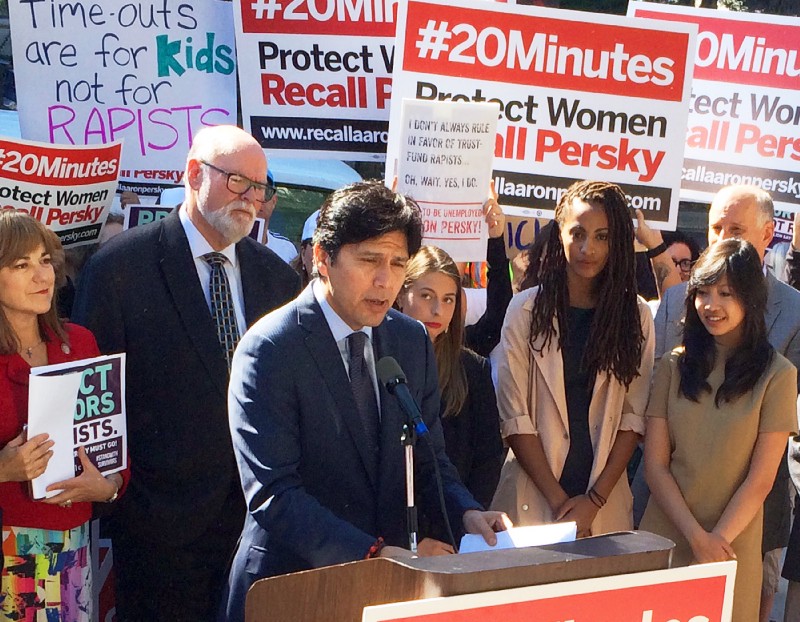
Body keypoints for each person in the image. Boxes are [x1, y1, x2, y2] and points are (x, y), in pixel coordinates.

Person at [221, 180, 511, 622]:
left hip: (385, 590)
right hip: (292, 587)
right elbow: (274, 495)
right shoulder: (270, 348)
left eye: (398, 263)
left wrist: (468, 512)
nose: (385, 280)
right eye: (369, 260)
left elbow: (430, 454)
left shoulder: (409, 340)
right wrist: (372, 553)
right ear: (322, 257)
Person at [72, 125, 300, 621]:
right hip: (158, 529)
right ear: (194, 174)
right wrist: (121, 492)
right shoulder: (119, 267)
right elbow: (93, 393)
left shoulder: (277, 277)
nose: (251, 198)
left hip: (255, 525)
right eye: (238, 181)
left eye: (259, 187)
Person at [650, 185, 800, 622]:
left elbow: (761, 478)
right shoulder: (672, 367)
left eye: (727, 294)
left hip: (733, 541)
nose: (711, 305)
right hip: (666, 532)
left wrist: (714, 541)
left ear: (751, 300)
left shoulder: (778, 375)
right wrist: (695, 537)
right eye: (703, 292)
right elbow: (657, 466)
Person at [491, 180, 655, 538]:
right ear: (560, 232)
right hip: (532, 499)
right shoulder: (525, 309)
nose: (587, 248)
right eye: (578, 233)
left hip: (605, 504)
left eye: (602, 236)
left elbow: (633, 417)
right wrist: (560, 503)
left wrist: (593, 501)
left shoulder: (636, 315)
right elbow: (514, 417)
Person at [0, 210, 128, 621]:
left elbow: (113, 442)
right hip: (9, 551)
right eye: (22, 265)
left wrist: (108, 486)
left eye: (45, 260)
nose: (43, 276)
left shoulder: (81, 343)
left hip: (75, 547)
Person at [396, 246, 505, 539]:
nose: (437, 310)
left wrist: (460, 523)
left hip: (457, 531)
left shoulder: (473, 369)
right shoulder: (379, 360)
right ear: (400, 295)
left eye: (448, 300)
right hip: (394, 536)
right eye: (426, 296)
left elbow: (488, 460)